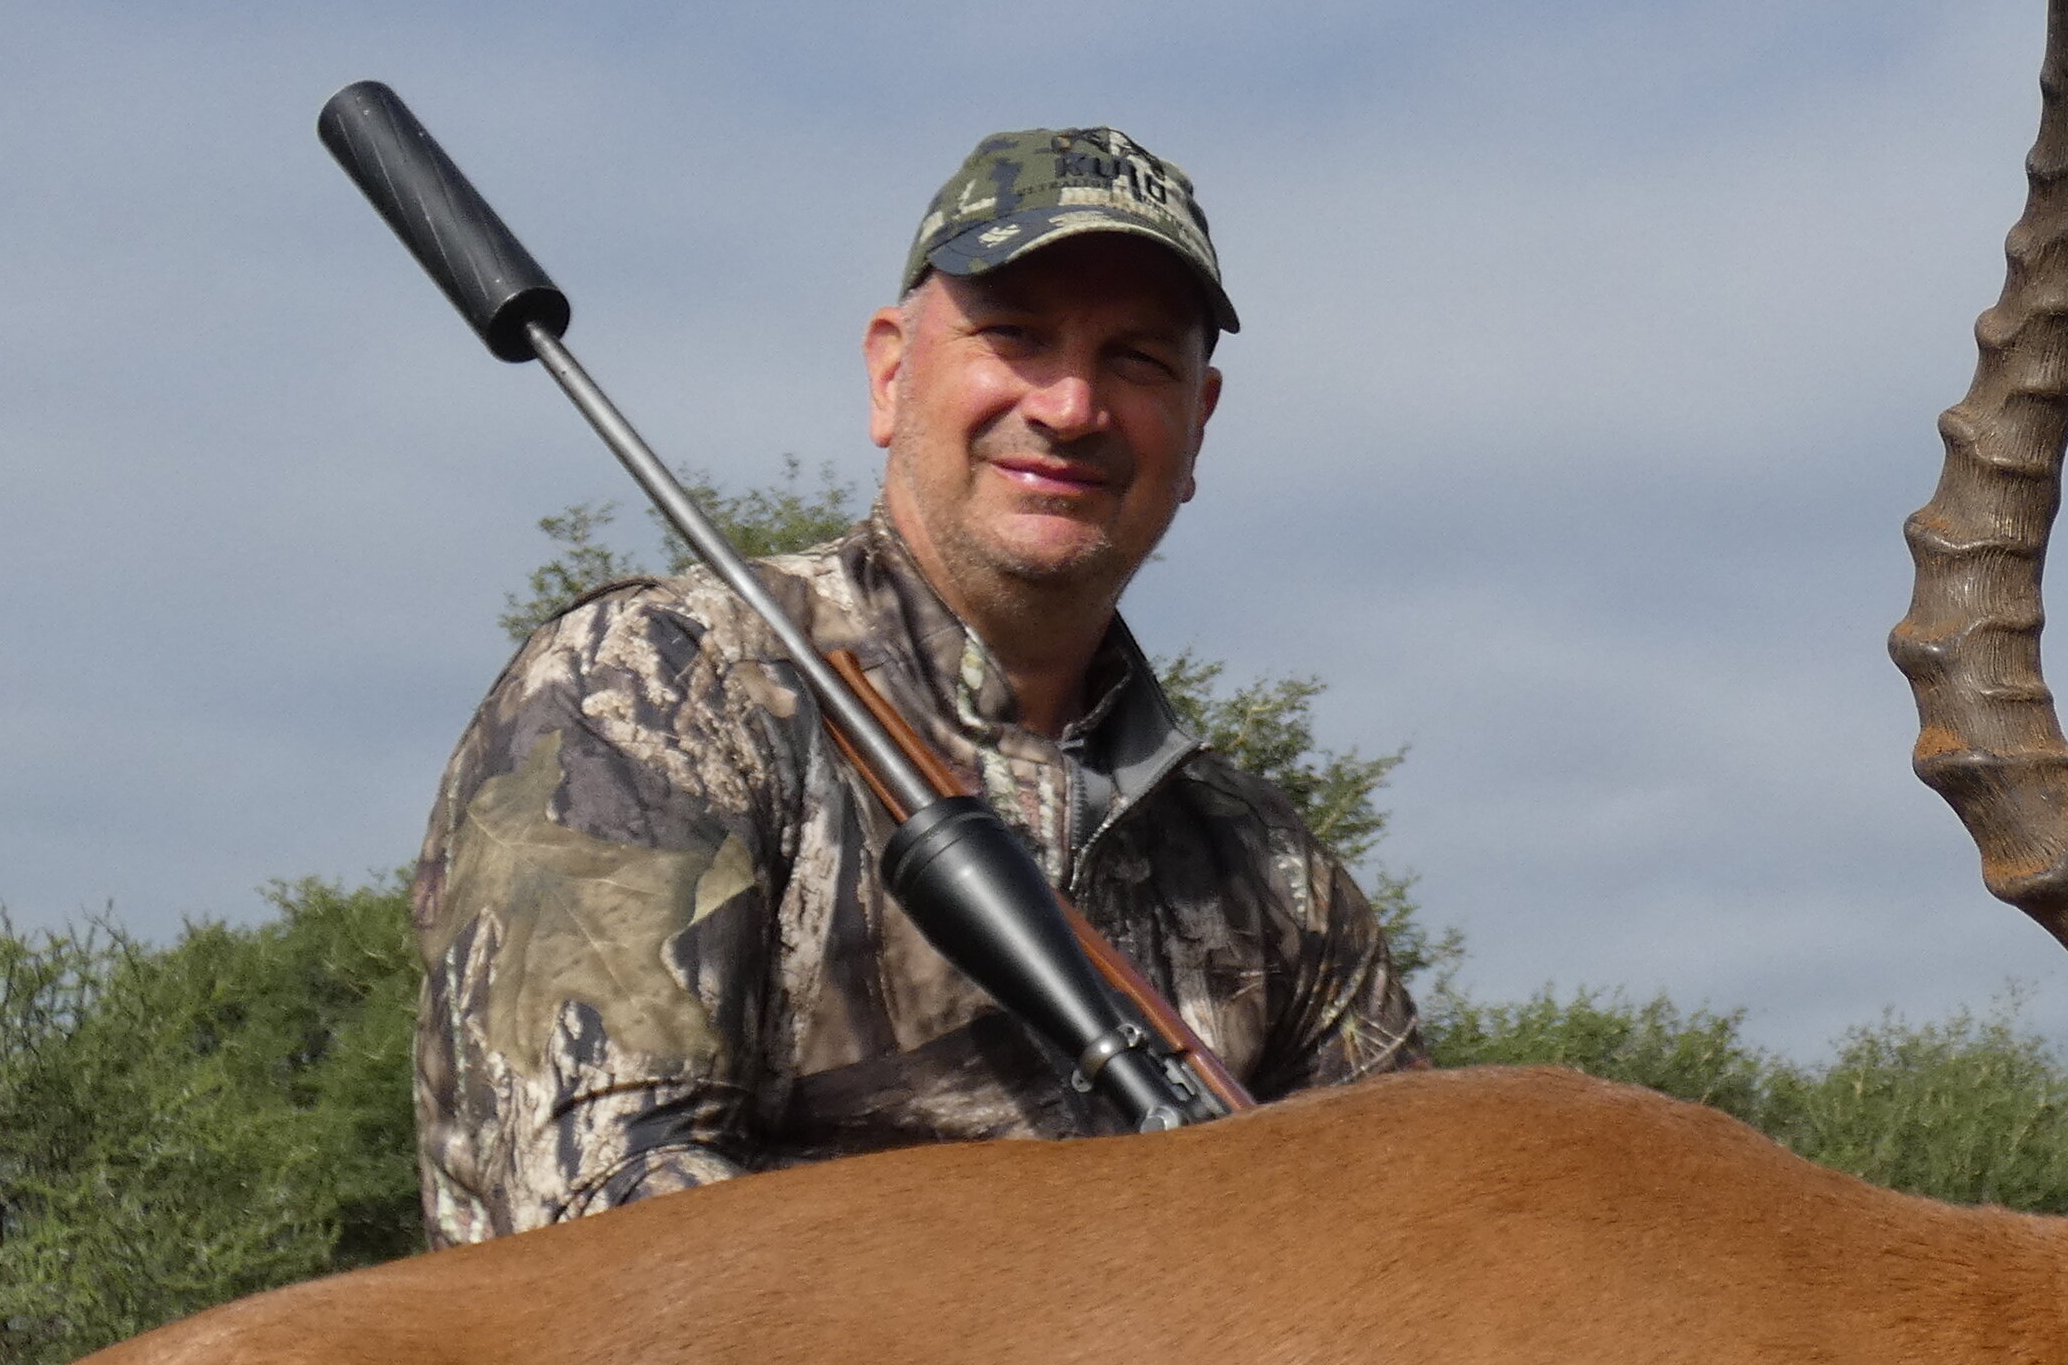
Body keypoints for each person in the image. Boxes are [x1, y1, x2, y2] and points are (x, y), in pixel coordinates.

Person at [408, 126, 1424, 1241]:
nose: (1072, 407)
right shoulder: (654, 688)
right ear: (892, 373)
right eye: (1017, 337)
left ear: (1197, 426)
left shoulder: (1269, 871)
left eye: (1137, 359)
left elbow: (1398, 1268)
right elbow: (599, 1232)